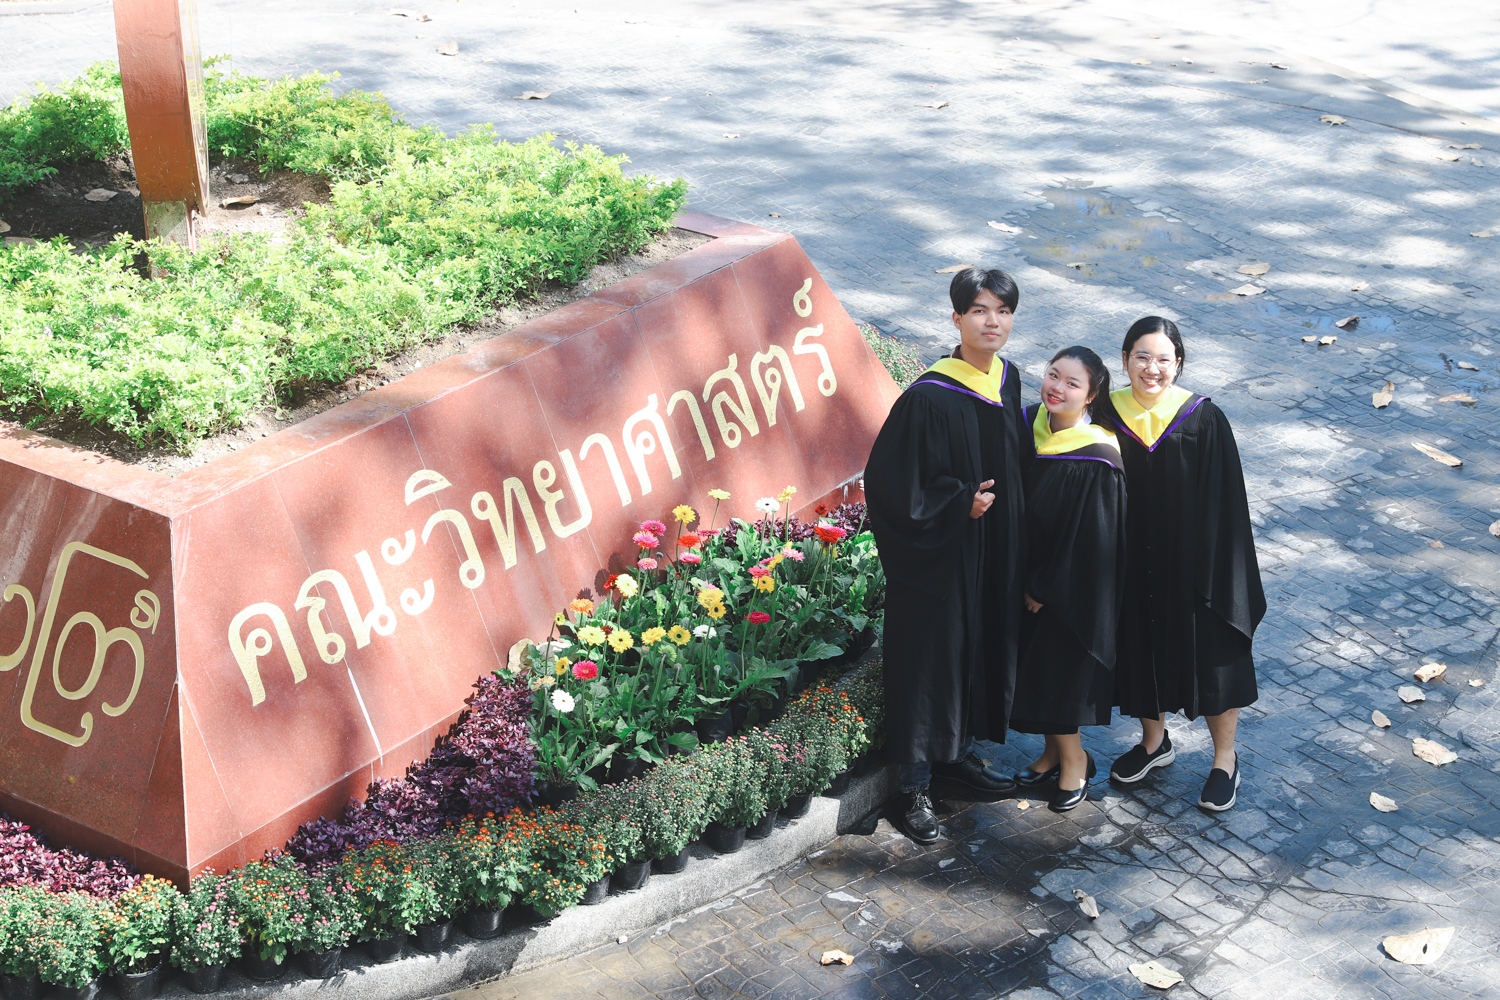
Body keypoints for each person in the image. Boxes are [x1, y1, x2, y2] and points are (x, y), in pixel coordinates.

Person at [864, 266, 1027, 843]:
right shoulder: (927, 398)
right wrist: (959, 504)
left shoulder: (1007, 380)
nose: (992, 322)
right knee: (930, 664)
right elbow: (888, 484)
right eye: (979, 311)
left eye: (1002, 311)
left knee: (976, 652)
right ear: (956, 318)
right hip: (938, 560)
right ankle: (912, 788)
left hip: (993, 554)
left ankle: (957, 757)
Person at [1104, 316, 1265, 812]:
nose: (1152, 369)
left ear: (1178, 363)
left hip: (1195, 563)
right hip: (1131, 560)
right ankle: (1154, 743)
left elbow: (1227, 502)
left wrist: (1221, 573)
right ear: (1125, 359)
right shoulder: (1106, 412)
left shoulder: (1203, 418)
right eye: (1142, 357)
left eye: (1163, 359)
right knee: (1140, 648)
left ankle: (1224, 760)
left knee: (1213, 657)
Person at [1010, 347, 1128, 813]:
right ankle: (1051, 754)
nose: (1057, 387)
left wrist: (1045, 586)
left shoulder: (1098, 455)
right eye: (1053, 375)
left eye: (1072, 383)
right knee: (1033, 671)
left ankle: (1075, 761)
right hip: (1022, 574)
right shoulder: (1028, 424)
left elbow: (1091, 538)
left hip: (1067, 589)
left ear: (1092, 395)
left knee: (1055, 674)